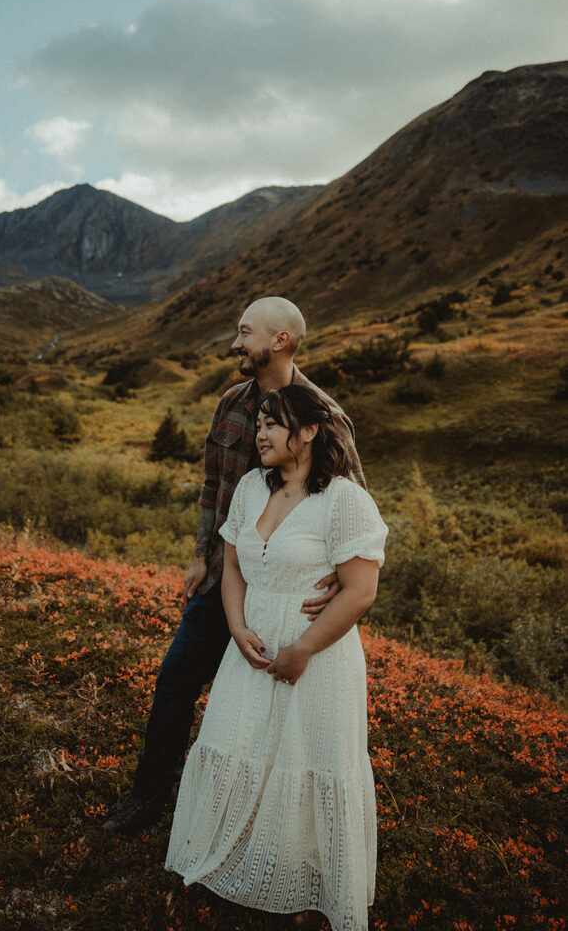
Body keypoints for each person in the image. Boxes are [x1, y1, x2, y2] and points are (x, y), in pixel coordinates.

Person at [104, 297, 365, 835]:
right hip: (226, 578)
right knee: (176, 680)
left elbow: (352, 502)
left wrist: (340, 578)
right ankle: (149, 797)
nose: (234, 343)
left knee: (272, 710)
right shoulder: (230, 403)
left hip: (289, 595)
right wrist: (203, 552)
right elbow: (211, 487)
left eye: (244, 333)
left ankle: (263, 819)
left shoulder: (325, 415)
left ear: (280, 341)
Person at [165, 384, 388, 931]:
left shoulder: (343, 499)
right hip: (252, 647)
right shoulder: (248, 488)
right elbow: (234, 566)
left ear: (309, 431)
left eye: (273, 424)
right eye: (260, 423)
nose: (260, 433)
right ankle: (237, 858)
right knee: (238, 742)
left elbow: (361, 591)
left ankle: (308, 884)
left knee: (306, 759)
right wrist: (237, 627)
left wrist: (303, 650)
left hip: (318, 657)